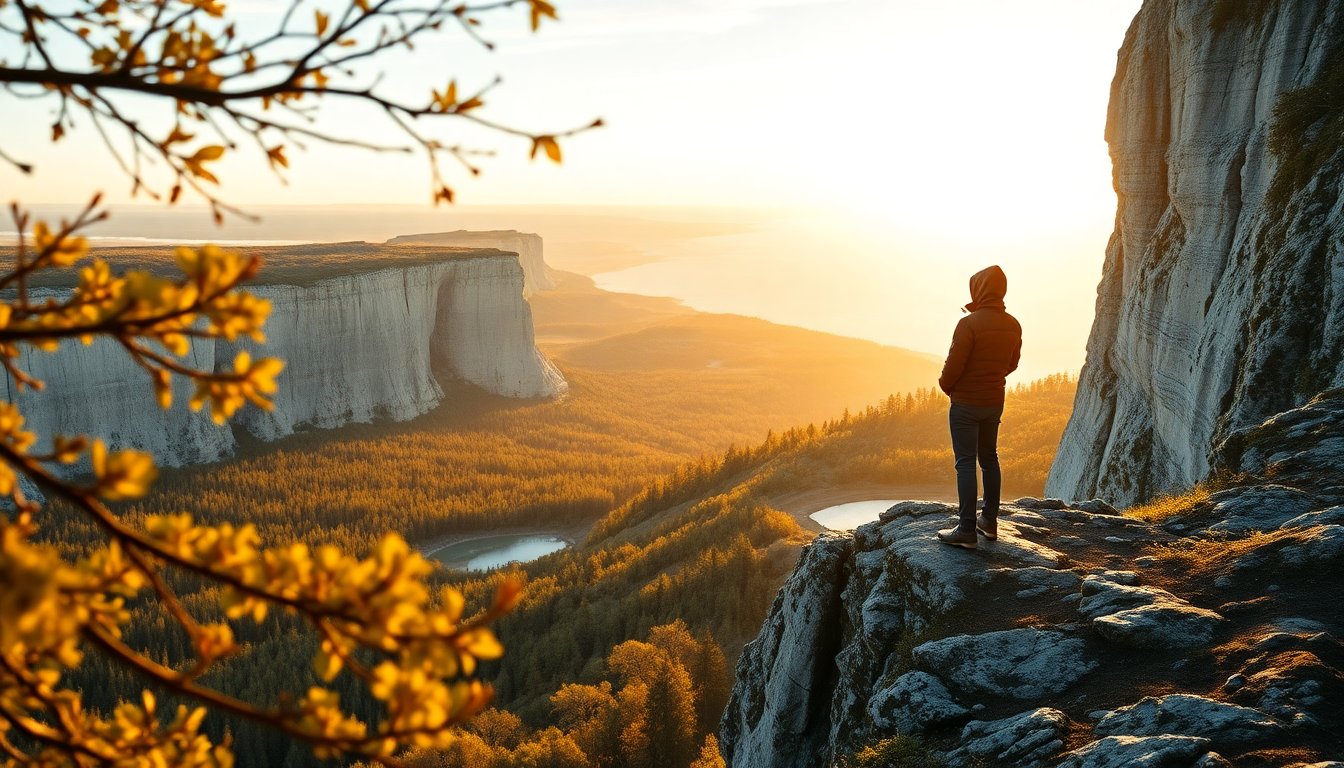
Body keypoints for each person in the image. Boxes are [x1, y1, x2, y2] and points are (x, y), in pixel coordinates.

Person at [935, 265, 1022, 549]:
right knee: (989, 458)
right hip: (994, 401)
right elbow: (1012, 364)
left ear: (979, 290)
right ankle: (990, 522)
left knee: (965, 463)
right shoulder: (1013, 324)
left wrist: (947, 387)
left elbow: (954, 365)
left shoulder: (969, 324)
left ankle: (966, 530)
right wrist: (991, 379)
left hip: (965, 403)